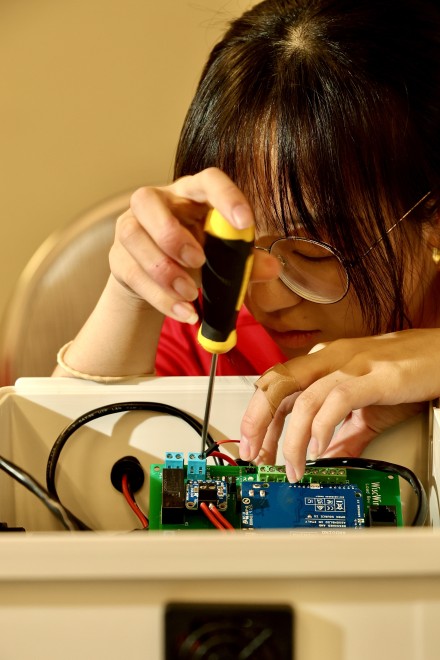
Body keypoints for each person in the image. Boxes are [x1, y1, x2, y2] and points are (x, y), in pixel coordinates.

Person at [53, 0, 440, 483]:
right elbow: (51, 473)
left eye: (311, 249)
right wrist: (129, 295)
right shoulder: (216, 321)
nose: (265, 297)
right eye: (238, 249)